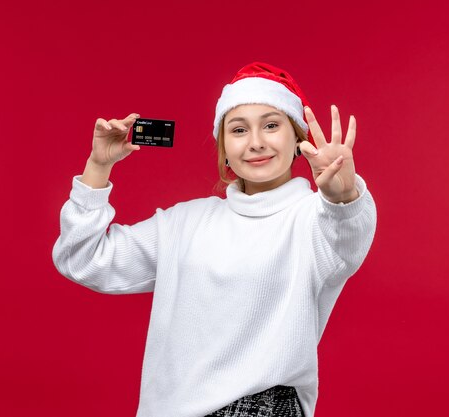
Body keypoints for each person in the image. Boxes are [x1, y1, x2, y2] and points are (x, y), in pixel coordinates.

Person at [52, 62, 377, 417]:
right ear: (223, 148)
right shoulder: (183, 222)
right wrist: (97, 167)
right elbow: (83, 259)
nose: (256, 143)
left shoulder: (313, 218)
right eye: (239, 130)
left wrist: (343, 198)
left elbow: (346, 237)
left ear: (298, 138)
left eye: (271, 125)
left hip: (264, 407)